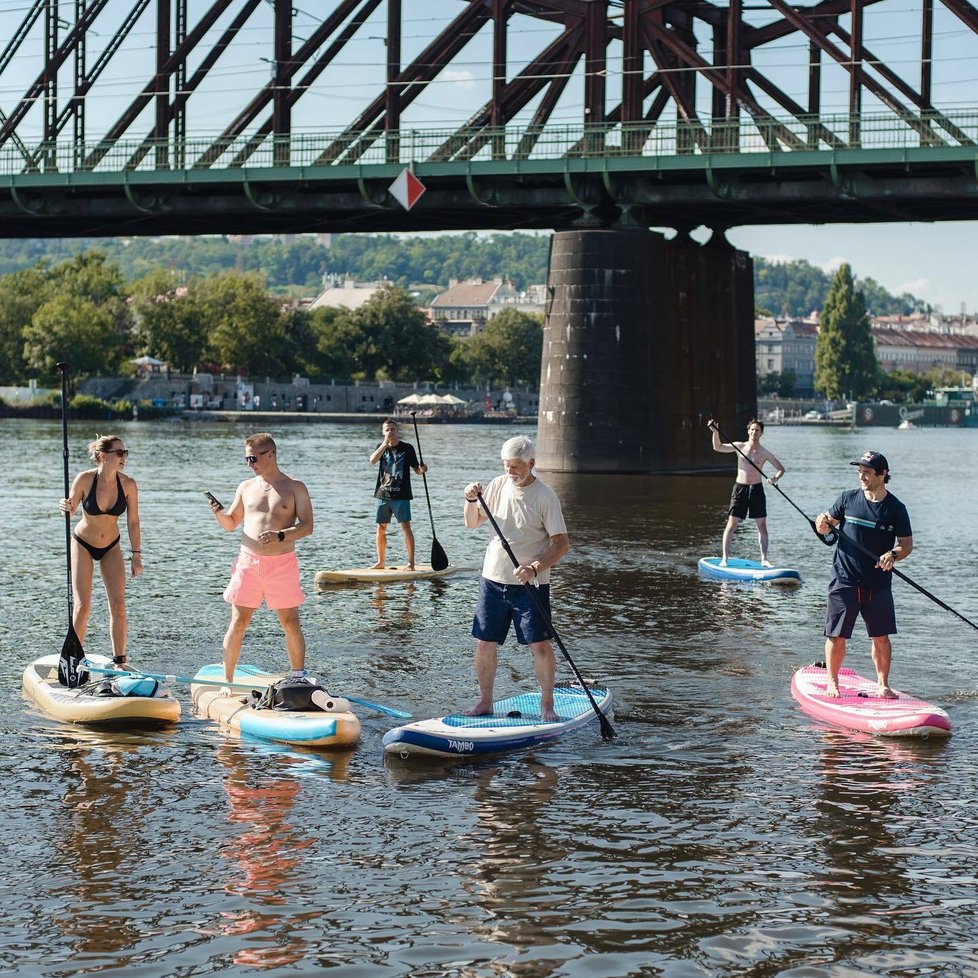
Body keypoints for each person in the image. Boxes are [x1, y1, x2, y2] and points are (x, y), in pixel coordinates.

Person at [462, 435, 569, 722]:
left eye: (516, 467)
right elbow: (472, 523)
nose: (510, 472)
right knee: (485, 642)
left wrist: (534, 567)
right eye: (506, 466)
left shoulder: (545, 496)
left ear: (532, 464)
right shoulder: (497, 485)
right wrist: (471, 500)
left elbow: (561, 544)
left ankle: (547, 706)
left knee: (540, 645)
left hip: (530, 584)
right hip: (493, 579)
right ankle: (485, 701)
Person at [208, 433, 313, 685]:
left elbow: (308, 526)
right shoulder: (245, 487)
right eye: (246, 458)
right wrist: (218, 512)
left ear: (270, 455)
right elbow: (231, 523)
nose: (249, 463)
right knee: (238, 621)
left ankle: (297, 679)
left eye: (253, 458)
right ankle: (227, 680)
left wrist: (281, 535)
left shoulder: (295, 487)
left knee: (290, 622)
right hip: (249, 563)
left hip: (282, 564)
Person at [814, 451, 913, 700]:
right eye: (860, 471)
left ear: (883, 474)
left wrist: (893, 554)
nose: (862, 476)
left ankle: (882, 684)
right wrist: (821, 524)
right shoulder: (847, 499)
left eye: (867, 472)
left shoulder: (896, 508)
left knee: (881, 637)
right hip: (844, 579)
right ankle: (832, 683)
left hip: (878, 583)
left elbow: (906, 545)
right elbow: (827, 526)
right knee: (836, 636)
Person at [58, 434, 143, 668]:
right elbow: (71, 509)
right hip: (83, 544)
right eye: (119, 453)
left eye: (125, 453)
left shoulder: (128, 484)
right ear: (103, 456)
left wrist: (136, 555)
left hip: (111, 547)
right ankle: (74, 658)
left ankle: (120, 662)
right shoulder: (84, 479)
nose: (123, 457)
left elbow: (133, 521)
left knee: (119, 605)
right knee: (83, 605)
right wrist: (64, 506)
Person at [708, 418, 785, 567]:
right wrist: (715, 432)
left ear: (761, 433)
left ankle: (764, 559)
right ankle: (725, 558)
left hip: (756, 489)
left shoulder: (764, 453)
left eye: (757, 430)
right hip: (740, 489)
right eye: (752, 429)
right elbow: (717, 447)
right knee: (732, 524)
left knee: (762, 526)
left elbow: (781, 469)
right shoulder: (739, 446)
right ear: (748, 431)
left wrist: (774, 479)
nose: (754, 432)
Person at [368, 418, 427, 570]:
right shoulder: (380, 448)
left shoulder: (407, 448)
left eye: (392, 429)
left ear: (397, 430)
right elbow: (372, 461)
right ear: (383, 432)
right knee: (381, 528)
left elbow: (417, 470)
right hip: (383, 494)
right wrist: (384, 444)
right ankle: (381, 562)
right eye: (387, 430)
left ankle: (411, 563)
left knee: (405, 527)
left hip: (401, 495)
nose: (390, 432)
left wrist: (422, 470)